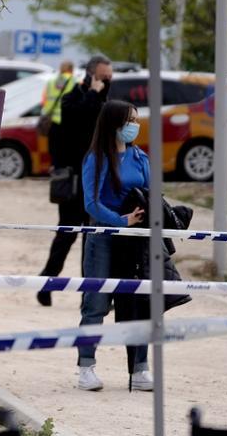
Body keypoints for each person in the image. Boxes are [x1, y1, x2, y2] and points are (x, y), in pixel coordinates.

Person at [75, 100, 151, 393]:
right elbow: (91, 202)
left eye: (136, 119)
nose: (134, 125)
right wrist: (121, 221)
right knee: (95, 304)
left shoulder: (140, 156)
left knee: (137, 302)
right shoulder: (96, 157)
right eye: (129, 120)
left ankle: (140, 370)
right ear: (113, 123)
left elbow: (151, 192)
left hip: (135, 241)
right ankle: (86, 368)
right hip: (103, 239)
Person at [37, 55, 112, 307]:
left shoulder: (106, 101)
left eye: (109, 78)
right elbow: (79, 122)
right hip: (72, 179)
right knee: (67, 232)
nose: (106, 82)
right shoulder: (72, 99)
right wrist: (92, 93)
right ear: (90, 75)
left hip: (96, 180)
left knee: (92, 237)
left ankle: (88, 293)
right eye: (102, 77)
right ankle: (46, 283)